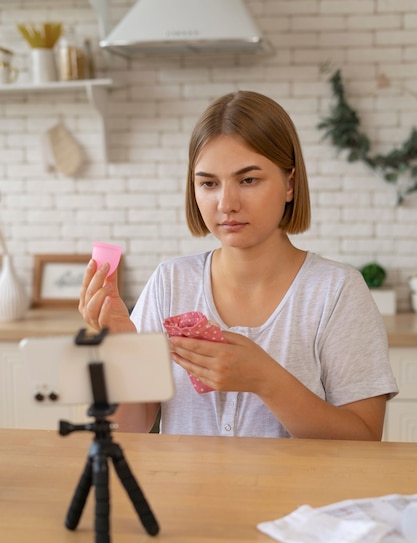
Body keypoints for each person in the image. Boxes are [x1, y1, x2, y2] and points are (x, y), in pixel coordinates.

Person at [79, 90, 398, 440]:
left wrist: (266, 380)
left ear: (290, 184)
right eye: (208, 183)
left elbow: (364, 439)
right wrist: (123, 347)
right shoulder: (170, 283)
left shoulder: (336, 292)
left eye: (248, 180)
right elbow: (131, 428)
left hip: (300, 496)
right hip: (186, 494)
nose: (226, 203)